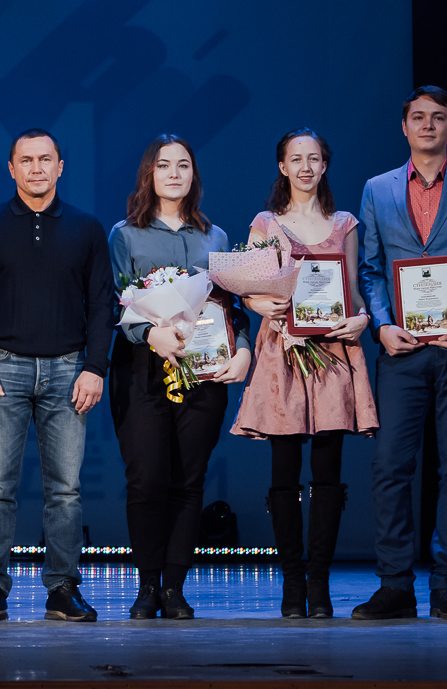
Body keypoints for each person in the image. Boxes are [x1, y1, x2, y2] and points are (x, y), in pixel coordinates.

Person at [354, 86, 447, 621]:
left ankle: (446, 586)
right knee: (391, 466)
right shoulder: (377, 188)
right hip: (402, 350)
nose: (427, 125)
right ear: (404, 127)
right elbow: (370, 268)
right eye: (417, 117)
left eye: (438, 117)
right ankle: (395, 585)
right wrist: (382, 325)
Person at [0, 128, 113, 623]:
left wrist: (95, 367)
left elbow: (102, 306)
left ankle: (63, 588)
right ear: (11, 168)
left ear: (60, 167)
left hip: (69, 370)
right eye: (26, 160)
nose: (36, 168)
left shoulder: (87, 228)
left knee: (65, 489)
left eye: (45, 159)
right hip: (3, 368)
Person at [230, 128, 378, 618]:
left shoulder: (345, 223)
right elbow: (250, 291)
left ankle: (320, 583)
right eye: (296, 159)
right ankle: (292, 585)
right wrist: (261, 304)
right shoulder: (265, 224)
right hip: (283, 353)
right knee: (284, 469)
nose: (306, 167)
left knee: (328, 471)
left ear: (325, 165)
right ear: (283, 167)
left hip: (333, 351)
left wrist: (362, 318)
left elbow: (352, 291)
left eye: (314, 158)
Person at [108, 134, 251, 620]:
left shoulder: (216, 238)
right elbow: (112, 303)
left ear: (194, 175)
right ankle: (147, 586)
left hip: (204, 368)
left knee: (189, 480)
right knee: (147, 479)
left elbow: (231, 307)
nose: (174, 173)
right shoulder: (125, 235)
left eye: (183, 165)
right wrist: (151, 334)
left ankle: (174, 588)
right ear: (149, 174)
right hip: (141, 368)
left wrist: (244, 349)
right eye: (164, 165)